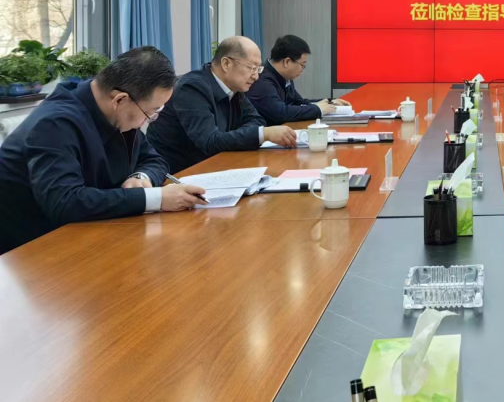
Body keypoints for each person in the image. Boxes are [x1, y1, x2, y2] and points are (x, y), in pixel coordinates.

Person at [0, 47, 207, 254]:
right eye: (151, 113)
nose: (149, 120)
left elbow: (154, 160)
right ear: (119, 100)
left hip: (88, 231)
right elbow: (65, 202)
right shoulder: (54, 124)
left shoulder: (118, 113)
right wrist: (157, 198)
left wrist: (140, 177)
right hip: (30, 250)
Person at [149, 36, 298, 173]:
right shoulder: (192, 89)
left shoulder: (235, 87)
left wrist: (230, 137)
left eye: (258, 69)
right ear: (226, 63)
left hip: (215, 165)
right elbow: (210, 142)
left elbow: (256, 120)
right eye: (252, 68)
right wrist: (262, 134)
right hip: (178, 175)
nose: (256, 76)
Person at [246, 35, 351, 125]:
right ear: (287, 62)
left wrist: (328, 102)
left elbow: (298, 103)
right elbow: (280, 113)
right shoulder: (262, 81)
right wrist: (318, 109)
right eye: (302, 65)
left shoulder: (284, 77)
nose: (302, 70)